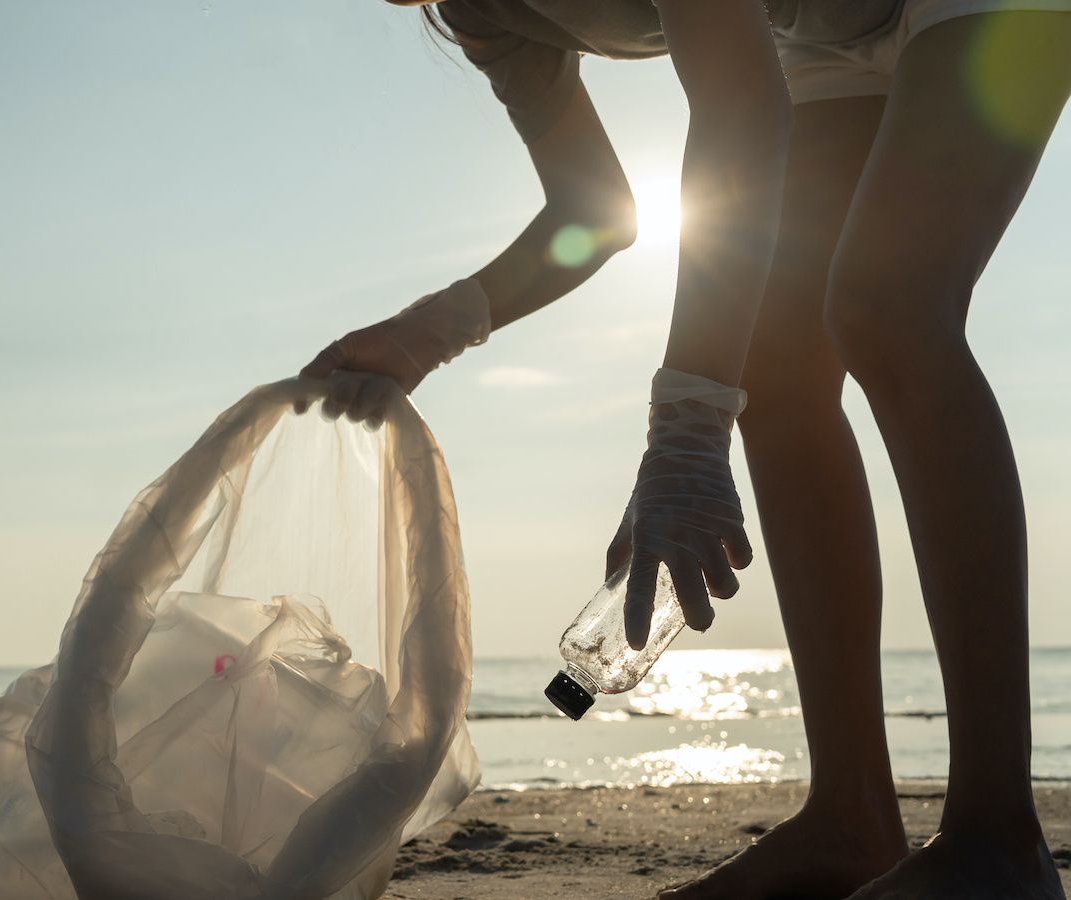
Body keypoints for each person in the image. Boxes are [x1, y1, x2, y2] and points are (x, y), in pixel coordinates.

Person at [299, 1, 1071, 897]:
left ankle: (997, 835)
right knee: (775, 368)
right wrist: (426, 333)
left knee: (889, 307)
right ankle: (851, 817)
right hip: (823, 35)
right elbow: (592, 211)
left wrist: (685, 432)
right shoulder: (480, 14)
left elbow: (743, 115)